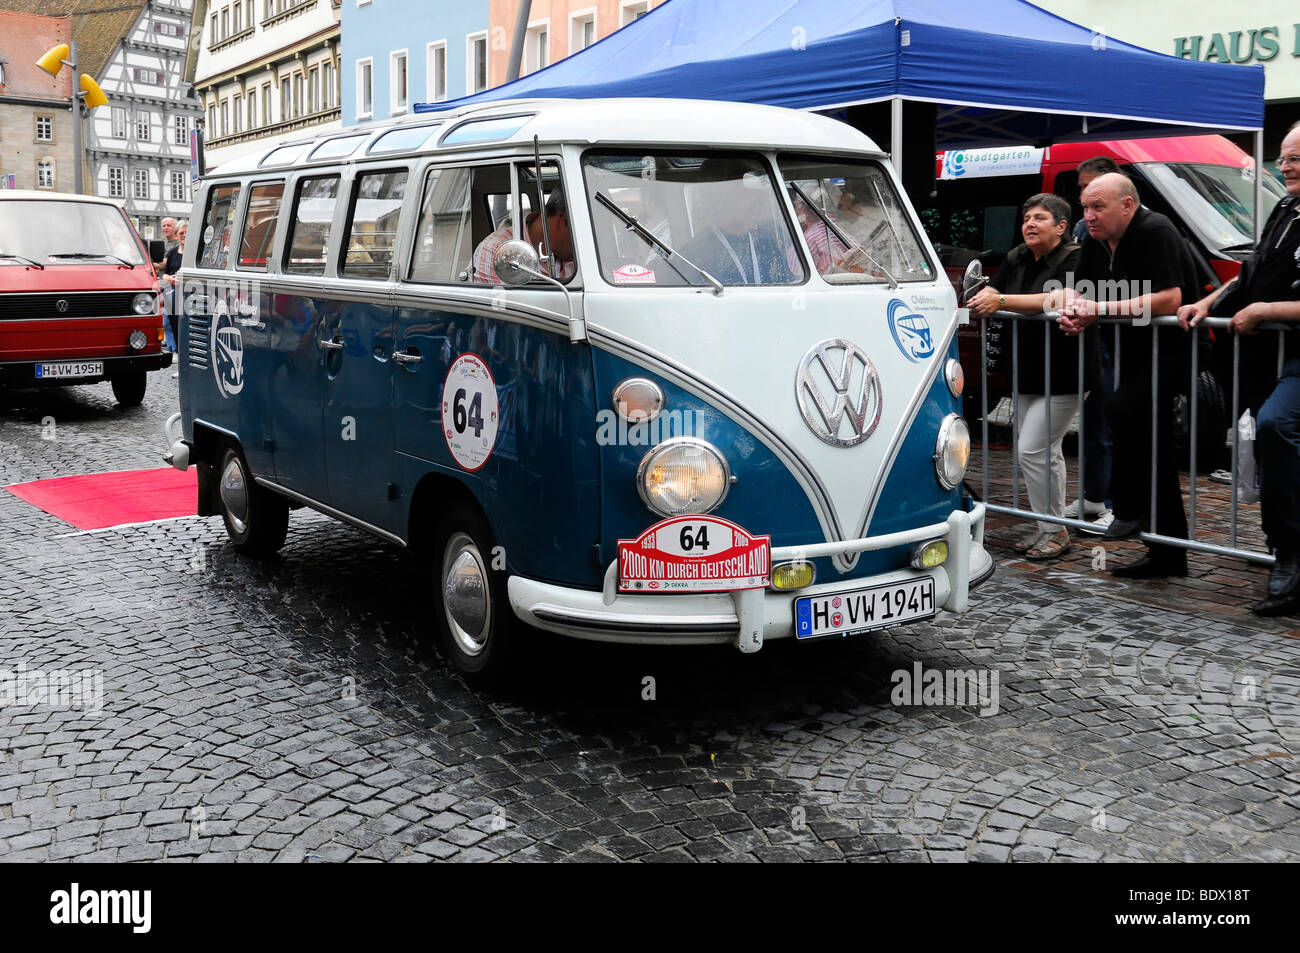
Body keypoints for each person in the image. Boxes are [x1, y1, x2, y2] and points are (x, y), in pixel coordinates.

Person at [1178, 121, 1300, 615]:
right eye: (1285, 158)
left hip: (1292, 355)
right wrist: (1212, 301)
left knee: (1277, 425)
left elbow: (1267, 299)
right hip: (1268, 357)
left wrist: (1265, 312)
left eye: (1297, 159)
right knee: (1265, 448)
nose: (1287, 167)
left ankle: (1291, 559)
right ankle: (1282, 547)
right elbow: (1254, 272)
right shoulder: (1288, 206)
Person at [1058, 172, 1199, 578]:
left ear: (1128, 205)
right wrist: (1074, 311)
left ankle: (1129, 507)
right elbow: (1079, 290)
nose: (1089, 215)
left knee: (1120, 410)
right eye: (1085, 207)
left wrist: (1098, 311)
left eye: (1097, 206)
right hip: (1133, 353)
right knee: (1153, 449)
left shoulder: (1157, 230)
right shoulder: (1097, 239)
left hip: (1175, 350)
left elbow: (1171, 298)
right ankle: (1168, 554)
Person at [969, 193, 1090, 560]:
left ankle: (1054, 530)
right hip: (1026, 369)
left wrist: (1002, 301)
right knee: (1039, 453)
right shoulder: (1018, 256)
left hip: (1066, 371)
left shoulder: (1077, 257)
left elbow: (1059, 299)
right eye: (1026, 218)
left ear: (1061, 226)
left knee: (1033, 448)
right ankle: (1049, 528)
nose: (1030, 224)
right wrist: (988, 292)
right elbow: (996, 287)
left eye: (1039, 218)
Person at [1066, 158, 1122, 533]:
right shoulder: (1083, 228)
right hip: (1097, 336)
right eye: (1082, 192)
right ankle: (1094, 496)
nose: (1086, 202)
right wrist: (1074, 304)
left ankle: (1118, 504)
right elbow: (1079, 278)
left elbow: (1161, 293)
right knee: (1095, 420)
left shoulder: (1146, 226)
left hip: (1129, 338)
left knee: (1117, 420)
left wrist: (1099, 306)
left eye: (1094, 189)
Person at [678, 158, 799, 285]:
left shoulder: (768, 244)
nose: (761, 203)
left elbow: (788, 287)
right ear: (722, 196)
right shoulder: (692, 257)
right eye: (751, 193)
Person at [471, 191, 574, 284]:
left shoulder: (574, 259)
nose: (583, 243)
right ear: (564, 220)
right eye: (581, 232)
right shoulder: (496, 252)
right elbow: (499, 303)